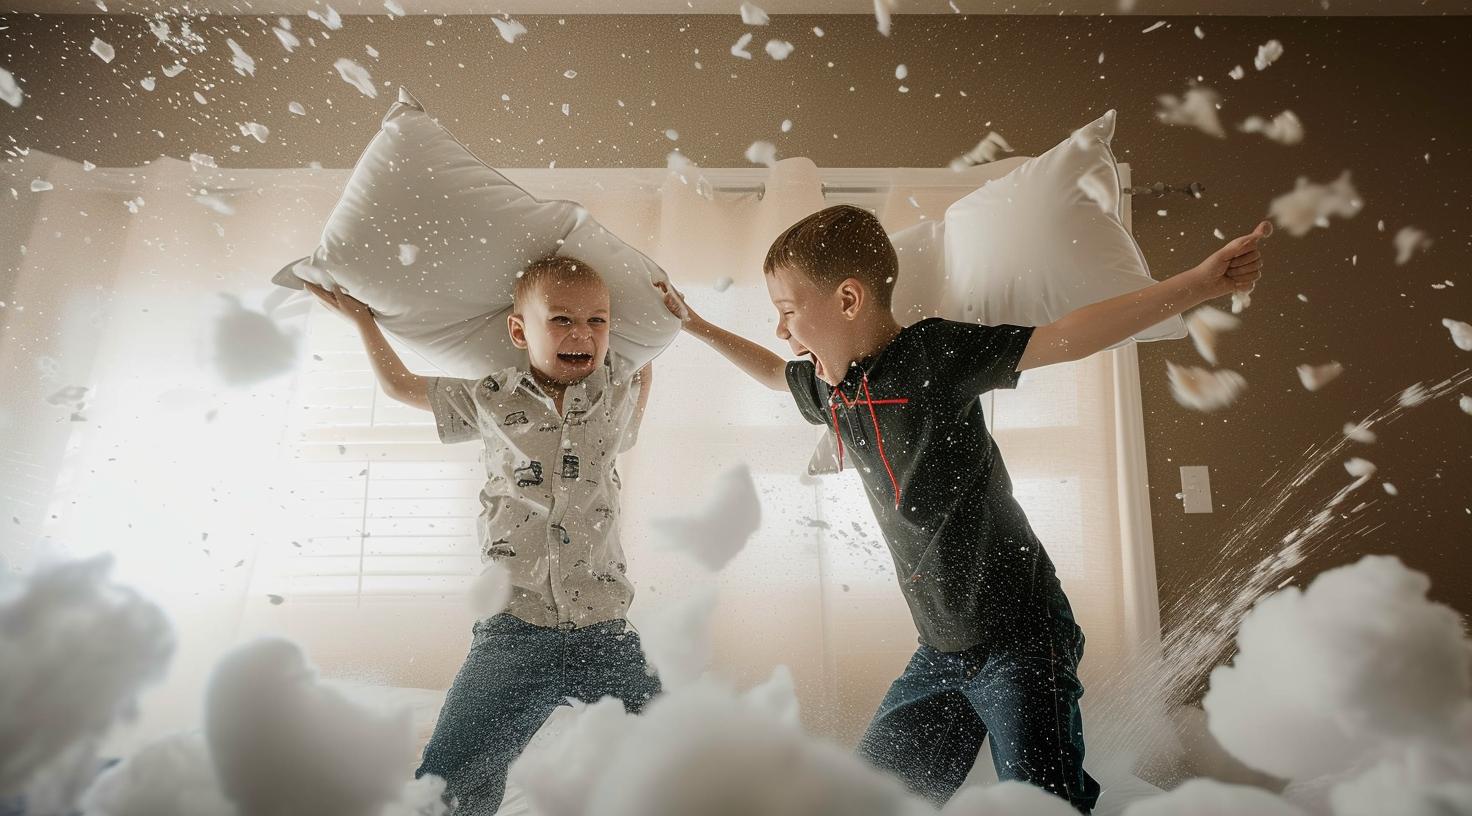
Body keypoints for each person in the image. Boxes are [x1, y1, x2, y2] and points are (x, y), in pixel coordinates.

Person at [659, 204, 1270, 812]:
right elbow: (772, 373)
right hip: (940, 649)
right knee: (864, 800)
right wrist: (695, 324)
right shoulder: (836, 391)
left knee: (1046, 806)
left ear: (849, 300)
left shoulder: (931, 356)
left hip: (1021, 637)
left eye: (788, 313)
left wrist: (1200, 283)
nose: (782, 332)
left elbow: (1063, 338)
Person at [307, 254, 662, 813]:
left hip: (605, 631)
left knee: (675, 761)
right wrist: (363, 321)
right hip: (513, 630)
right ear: (519, 331)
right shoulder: (492, 396)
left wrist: (665, 310)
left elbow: (653, 349)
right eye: (562, 320)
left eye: (597, 321)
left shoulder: (615, 393)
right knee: (448, 784)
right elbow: (402, 387)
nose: (582, 334)